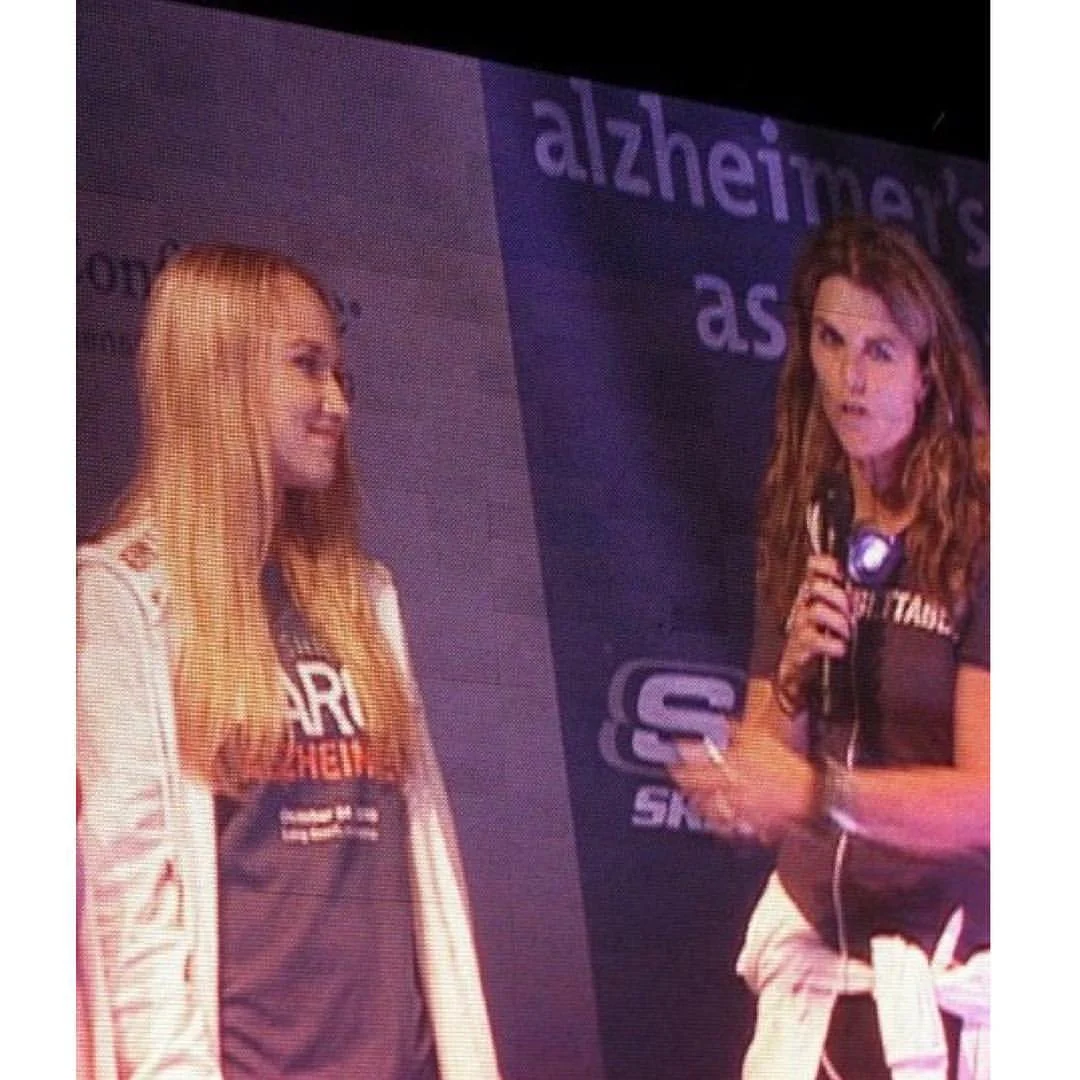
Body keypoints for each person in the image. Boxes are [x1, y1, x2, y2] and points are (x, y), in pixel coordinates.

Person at [76, 244, 502, 1079]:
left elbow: (427, 888)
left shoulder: (363, 597)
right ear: (220, 375)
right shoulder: (127, 596)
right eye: (306, 368)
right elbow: (136, 907)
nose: (337, 403)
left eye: (340, 373)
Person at [670, 217, 989, 1080]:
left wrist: (819, 790)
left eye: (882, 351)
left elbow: (992, 802)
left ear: (929, 371)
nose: (852, 379)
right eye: (832, 340)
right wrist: (786, 707)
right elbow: (766, 761)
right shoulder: (802, 515)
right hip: (815, 958)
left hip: (944, 974)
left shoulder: (992, 525)